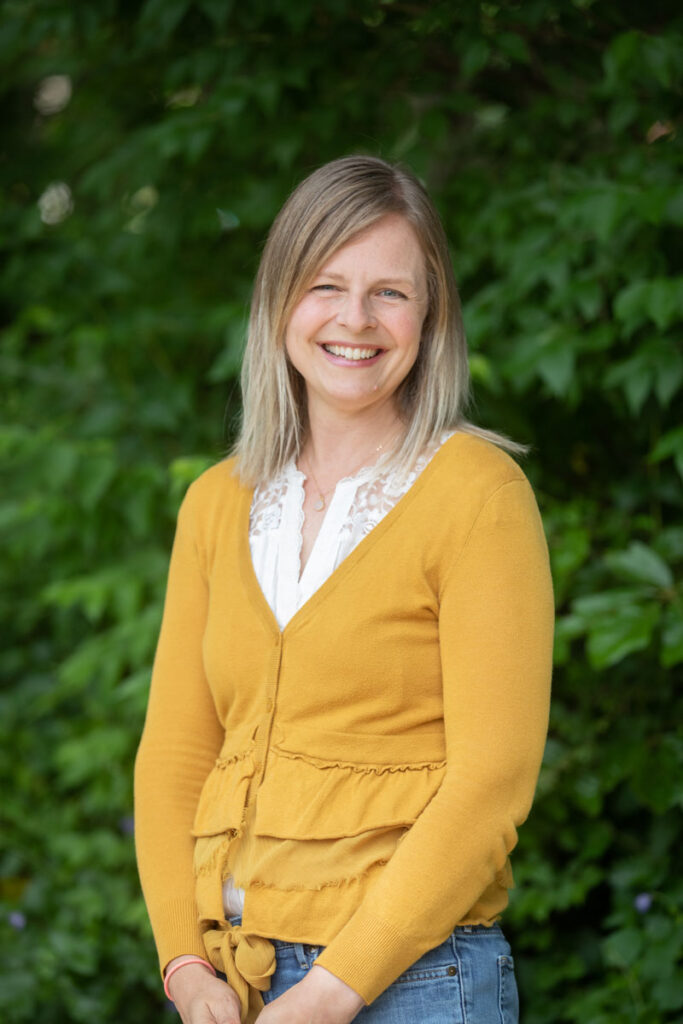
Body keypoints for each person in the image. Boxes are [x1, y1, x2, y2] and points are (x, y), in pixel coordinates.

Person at [134, 155, 555, 1024]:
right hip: (234, 983)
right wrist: (185, 966)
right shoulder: (216, 503)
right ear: (278, 302)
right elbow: (175, 756)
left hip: (420, 984)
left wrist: (330, 994)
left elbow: (489, 784)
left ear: (429, 315)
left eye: (388, 293)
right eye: (325, 285)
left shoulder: (478, 496)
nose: (354, 320)